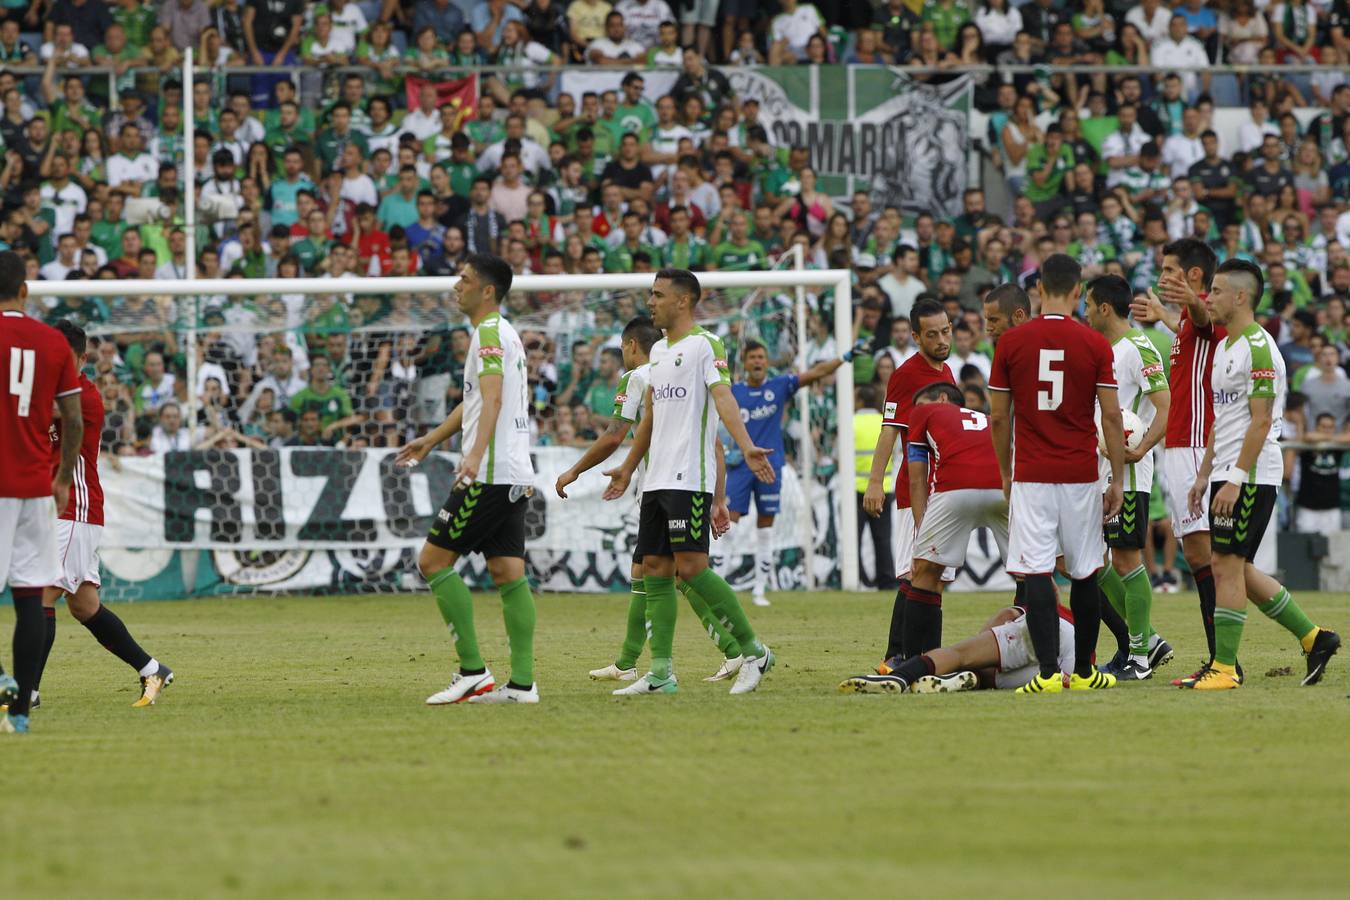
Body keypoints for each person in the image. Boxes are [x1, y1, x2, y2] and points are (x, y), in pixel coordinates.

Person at [600, 268, 777, 696]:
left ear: (683, 301)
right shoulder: (657, 351)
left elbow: (723, 398)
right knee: (656, 571)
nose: (651, 302)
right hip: (656, 478)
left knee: (692, 568)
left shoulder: (706, 344)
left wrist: (747, 445)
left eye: (658, 295)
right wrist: (628, 466)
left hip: (689, 475)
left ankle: (754, 650)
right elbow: (652, 417)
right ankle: (661, 672)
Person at [555, 316, 744, 683]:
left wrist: (574, 470)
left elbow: (613, 436)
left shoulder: (637, 377)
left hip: (662, 488)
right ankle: (629, 663)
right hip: (690, 482)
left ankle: (739, 649)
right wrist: (718, 497)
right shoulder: (679, 375)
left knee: (678, 574)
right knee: (648, 573)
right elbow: (717, 444)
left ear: (629, 346)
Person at [1186, 259, 1340, 690]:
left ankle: (1224, 669)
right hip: (1227, 470)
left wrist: (1234, 478)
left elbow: (1260, 420)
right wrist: (1204, 475)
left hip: (1251, 474)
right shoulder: (1223, 348)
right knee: (1237, 568)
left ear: (1240, 297)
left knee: (1226, 566)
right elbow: (1223, 418)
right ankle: (1315, 638)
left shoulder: (1259, 347)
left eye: (1215, 291)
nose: (1207, 298)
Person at [396, 255, 540, 705]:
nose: (456, 285)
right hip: (515, 472)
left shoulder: (491, 332)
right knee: (507, 571)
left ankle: (472, 671)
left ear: (487, 291)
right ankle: (521, 684)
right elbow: (478, 400)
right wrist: (433, 440)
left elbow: (492, 399)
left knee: (433, 562)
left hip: (492, 474)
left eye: (465, 279)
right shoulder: (503, 333)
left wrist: (474, 457)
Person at [989, 253, 1123, 694]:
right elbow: (1110, 417)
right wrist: (1117, 479)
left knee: (1037, 571)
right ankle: (1084, 671)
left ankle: (1047, 674)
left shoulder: (1010, 344)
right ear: (1079, 291)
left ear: (1040, 289)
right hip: (1082, 474)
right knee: (1085, 571)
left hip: (1032, 473)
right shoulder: (1095, 345)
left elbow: (998, 418)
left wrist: (1006, 475)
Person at [31, 321, 172, 711]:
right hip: (60, 509)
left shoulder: (84, 397)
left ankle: (28, 691)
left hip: (75, 509)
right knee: (85, 605)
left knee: (44, 594)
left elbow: (40, 407)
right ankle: (152, 668)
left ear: (81, 359)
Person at [1130, 238, 1235, 684]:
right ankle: (1227, 657)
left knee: (1206, 555)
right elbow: (1194, 330)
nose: (1163, 273)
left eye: (1170, 267)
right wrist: (1166, 317)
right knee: (1202, 554)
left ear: (1193, 276)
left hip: (1192, 443)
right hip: (1180, 444)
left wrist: (1190, 303)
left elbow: (1203, 318)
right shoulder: (1189, 325)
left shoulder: (1205, 312)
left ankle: (1223, 662)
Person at [0, 250, 84, 735]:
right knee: (31, 599)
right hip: (35, 488)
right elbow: (71, 419)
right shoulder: (53, 344)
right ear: (25, 290)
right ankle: (20, 717)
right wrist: (62, 478)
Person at [1084, 274, 1174, 680]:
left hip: (1131, 470)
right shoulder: (1104, 349)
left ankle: (1138, 657)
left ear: (1105, 307)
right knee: (1091, 561)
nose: (1084, 312)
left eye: (1088, 305)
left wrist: (1142, 447)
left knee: (1124, 559)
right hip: (1101, 467)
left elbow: (1165, 403)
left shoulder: (1138, 347)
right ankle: (1149, 641)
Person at [726, 337, 859, 606]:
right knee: (728, 524)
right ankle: (718, 581)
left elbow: (816, 373)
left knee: (766, 527)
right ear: (744, 362)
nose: (757, 361)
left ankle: (759, 590)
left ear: (766, 361)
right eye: (752, 357)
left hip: (770, 466)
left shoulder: (779, 386)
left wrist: (843, 358)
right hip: (740, 465)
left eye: (761, 357)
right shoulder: (731, 392)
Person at [862, 298, 955, 666]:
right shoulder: (906, 375)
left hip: (942, 487)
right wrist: (874, 482)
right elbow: (889, 430)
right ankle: (897, 654)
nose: (942, 340)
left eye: (945, 331)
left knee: (931, 575)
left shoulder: (946, 373)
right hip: (913, 488)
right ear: (916, 337)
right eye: (932, 335)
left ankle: (920, 654)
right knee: (916, 574)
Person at [895, 381, 1009, 660]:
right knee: (1032, 574)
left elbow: (917, 478)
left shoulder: (923, 413)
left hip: (956, 489)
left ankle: (913, 665)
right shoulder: (985, 417)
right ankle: (1047, 659)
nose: (916, 411)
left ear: (942, 399)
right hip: (1004, 488)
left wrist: (922, 534)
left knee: (924, 573)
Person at [840, 604, 1077, 693]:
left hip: (1053, 629)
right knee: (986, 678)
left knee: (962, 655)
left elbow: (1010, 614)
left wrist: (980, 642)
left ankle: (901, 677)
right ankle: (953, 680)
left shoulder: (1046, 595)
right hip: (1070, 670)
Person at [853, 384, 896, 592]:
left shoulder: (850, 422)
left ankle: (856, 580)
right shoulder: (884, 422)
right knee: (883, 539)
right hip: (884, 489)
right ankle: (886, 582)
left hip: (855, 489)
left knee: (855, 539)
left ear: (859, 400)